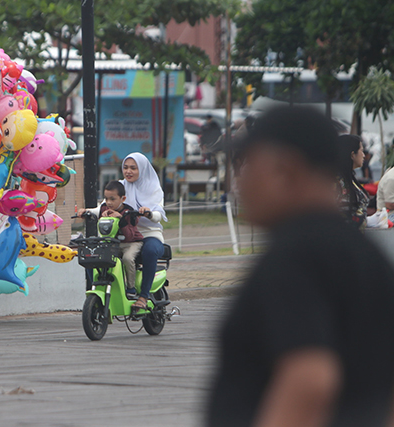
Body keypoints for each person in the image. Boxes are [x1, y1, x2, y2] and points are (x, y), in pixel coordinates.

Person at [206, 106, 394, 427]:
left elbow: (309, 377)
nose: (238, 181)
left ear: (286, 169)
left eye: (248, 167)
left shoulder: (295, 256)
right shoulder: (365, 256)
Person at [78, 180, 144, 297]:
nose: (108, 202)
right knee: (92, 257)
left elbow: (129, 236)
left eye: (112, 199)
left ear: (122, 199)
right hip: (113, 244)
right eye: (106, 198)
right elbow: (93, 212)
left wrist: (122, 219)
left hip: (131, 243)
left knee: (127, 258)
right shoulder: (104, 209)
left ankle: (131, 288)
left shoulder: (128, 212)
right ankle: (96, 283)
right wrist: (84, 212)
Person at [120, 153, 167, 310]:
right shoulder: (120, 186)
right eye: (126, 167)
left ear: (143, 169)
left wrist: (149, 213)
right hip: (126, 235)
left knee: (150, 250)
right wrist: (88, 211)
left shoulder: (154, 189)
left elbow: (159, 214)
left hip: (149, 234)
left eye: (133, 168)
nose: (128, 171)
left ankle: (144, 296)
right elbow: (106, 204)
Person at [338, 134, 369, 230]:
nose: (364, 155)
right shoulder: (337, 181)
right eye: (361, 151)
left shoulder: (350, 178)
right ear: (352, 155)